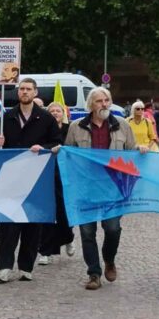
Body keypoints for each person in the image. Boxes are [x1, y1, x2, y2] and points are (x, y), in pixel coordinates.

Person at [64, 87, 147, 290]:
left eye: (107, 100)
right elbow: (69, 155)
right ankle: (94, 273)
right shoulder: (76, 126)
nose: (104, 104)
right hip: (86, 188)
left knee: (112, 228)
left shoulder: (121, 126)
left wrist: (140, 150)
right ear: (91, 104)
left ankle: (109, 259)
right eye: (100, 101)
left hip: (113, 188)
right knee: (87, 232)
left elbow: (130, 153)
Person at [0, 78, 63, 283]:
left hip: (37, 178)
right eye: (22, 89)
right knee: (8, 223)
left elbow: (57, 142)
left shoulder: (46, 118)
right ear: (17, 92)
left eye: (28, 89)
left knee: (32, 222)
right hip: (11, 178)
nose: (24, 92)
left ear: (35, 92)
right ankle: (4, 266)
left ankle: (26, 266)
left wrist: (43, 147)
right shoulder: (7, 117)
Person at [37, 102, 76, 265]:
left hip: (67, 175)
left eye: (57, 111)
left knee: (63, 212)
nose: (54, 113)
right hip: (47, 174)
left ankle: (68, 238)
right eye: (51, 111)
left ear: (63, 113)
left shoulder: (70, 129)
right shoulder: (43, 130)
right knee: (47, 213)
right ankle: (45, 251)